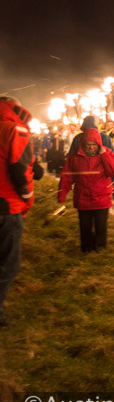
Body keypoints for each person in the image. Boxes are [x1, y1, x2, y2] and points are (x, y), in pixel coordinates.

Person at [0, 96, 38, 327]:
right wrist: (26, 196)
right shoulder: (16, 128)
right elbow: (18, 167)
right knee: (8, 263)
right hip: (6, 204)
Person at [58, 128, 114, 253]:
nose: (91, 148)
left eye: (94, 145)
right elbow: (66, 176)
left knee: (101, 226)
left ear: (99, 144)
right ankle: (86, 250)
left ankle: (100, 250)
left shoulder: (107, 153)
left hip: (101, 197)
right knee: (85, 227)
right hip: (83, 198)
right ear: (83, 144)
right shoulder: (74, 157)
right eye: (88, 145)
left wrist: (104, 155)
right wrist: (62, 194)